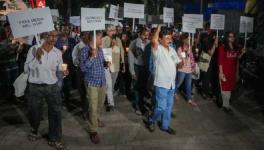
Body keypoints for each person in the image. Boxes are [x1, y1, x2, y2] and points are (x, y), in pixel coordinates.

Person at [25, 30, 68, 150]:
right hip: (35, 87)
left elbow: (59, 68)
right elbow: (26, 69)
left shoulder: (58, 52)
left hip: (52, 86)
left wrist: (63, 72)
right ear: (45, 35)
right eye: (51, 36)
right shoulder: (34, 49)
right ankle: (34, 130)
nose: (54, 39)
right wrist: (36, 58)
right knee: (34, 112)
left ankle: (55, 138)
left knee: (55, 113)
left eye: (56, 36)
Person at [144, 26, 181, 135]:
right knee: (161, 107)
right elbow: (154, 40)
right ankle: (151, 119)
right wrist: (159, 27)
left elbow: (178, 63)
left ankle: (165, 126)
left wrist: (183, 59)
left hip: (171, 84)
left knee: (168, 107)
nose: (170, 40)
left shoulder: (173, 50)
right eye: (167, 38)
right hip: (161, 84)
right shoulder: (157, 49)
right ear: (160, 39)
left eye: (170, 37)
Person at [79, 31, 106, 144]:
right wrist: (91, 57)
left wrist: (106, 64)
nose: (102, 40)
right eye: (100, 38)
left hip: (101, 82)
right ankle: (93, 131)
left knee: (100, 103)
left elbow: (102, 63)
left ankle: (95, 118)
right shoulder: (84, 50)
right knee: (93, 107)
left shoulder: (100, 49)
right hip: (92, 83)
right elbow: (83, 69)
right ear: (94, 39)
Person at [218, 31, 245, 115]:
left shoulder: (235, 47)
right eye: (230, 36)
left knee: (229, 89)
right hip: (224, 71)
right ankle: (226, 106)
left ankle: (226, 104)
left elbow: (236, 58)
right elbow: (220, 61)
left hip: (232, 72)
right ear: (227, 37)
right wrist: (221, 73)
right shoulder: (222, 47)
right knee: (224, 89)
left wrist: (242, 53)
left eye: (233, 36)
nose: (231, 38)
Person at [102, 25, 125, 111]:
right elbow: (104, 52)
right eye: (111, 30)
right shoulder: (104, 39)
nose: (113, 32)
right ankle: (110, 103)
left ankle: (107, 99)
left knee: (111, 85)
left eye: (114, 30)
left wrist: (123, 63)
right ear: (107, 32)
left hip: (116, 66)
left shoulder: (118, 39)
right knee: (108, 84)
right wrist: (111, 46)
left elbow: (121, 51)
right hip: (107, 65)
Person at [128, 27, 150, 115]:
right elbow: (131, 58)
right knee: (136, 88)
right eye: (144, 35)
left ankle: (142, 103)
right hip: (137, 67)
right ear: (140, 34)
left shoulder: (149, 43)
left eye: (147, 35)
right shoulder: (133, 43)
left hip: (145, 68)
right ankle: (138, 107)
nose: (146, 37)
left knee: (143, 87)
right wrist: (132, 71)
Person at [175, 33, 197, 106]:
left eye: (190, 39)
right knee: (178, 83)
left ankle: (189, 99)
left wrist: (193, 67)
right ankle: (173, 93)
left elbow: (192, 59)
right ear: (184, 40)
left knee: (188, 85)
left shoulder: (190, 48)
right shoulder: (180, 49)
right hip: (182, 70)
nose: (189, 40)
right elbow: (182, 61)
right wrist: (186, 54)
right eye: (188, 39)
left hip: (189, 70)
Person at [0, 23, 21, 100]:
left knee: (14, 83)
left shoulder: (14, 39)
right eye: (7, 29)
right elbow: (1, 52)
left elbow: (18, 52)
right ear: (4, 29)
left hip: (14, 65)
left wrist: (20, 46)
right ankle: (6, 97)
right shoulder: (2, 40)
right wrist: (10, 45)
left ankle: (13, 97)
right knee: (6, 83)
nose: (9, 31)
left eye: (10, 29)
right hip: (4, 66)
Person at [72, 32, 89, 120]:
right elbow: (74, 61)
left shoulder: (91, 46)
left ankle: (90, 111)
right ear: (82, 37)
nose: (88, 37)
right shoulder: (77, 47)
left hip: (90, 71)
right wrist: (80, 59)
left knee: (90, 92)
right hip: (81, 72)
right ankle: (85, 111)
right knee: (82, 92)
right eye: (86, 35)